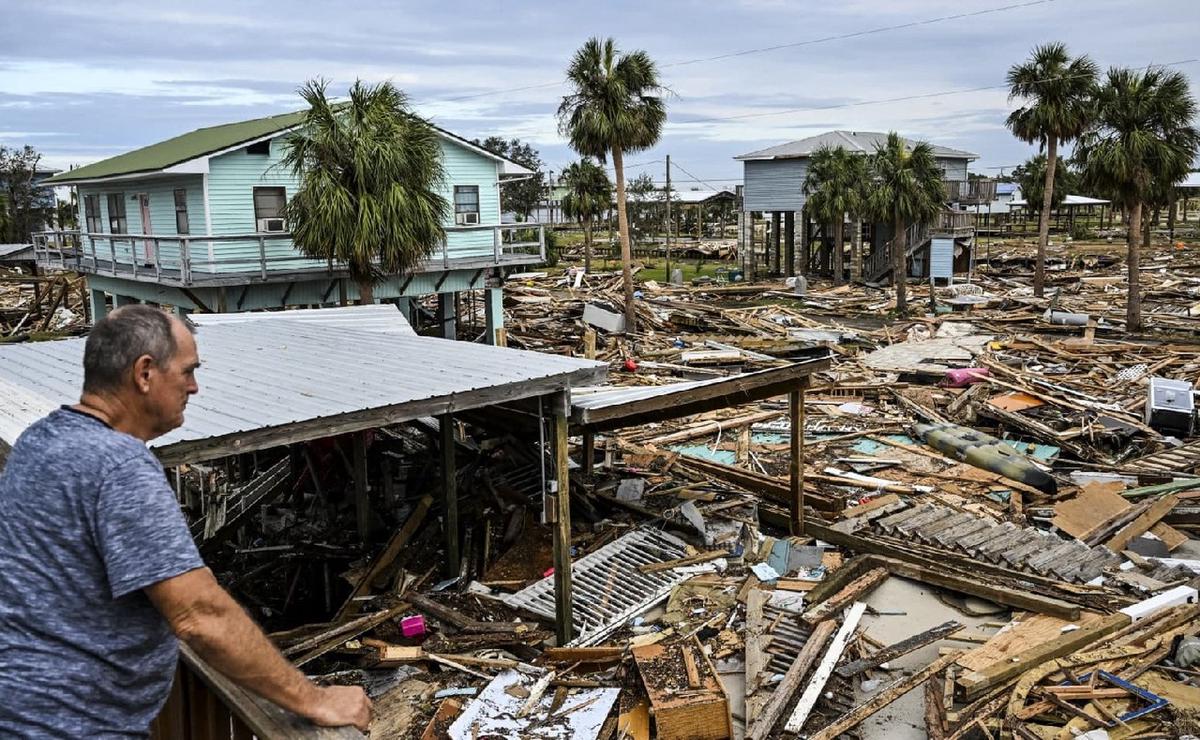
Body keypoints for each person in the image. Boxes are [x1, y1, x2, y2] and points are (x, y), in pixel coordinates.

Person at [0, 305, 371, 737]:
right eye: (188, 371)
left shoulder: (40, 440)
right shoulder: (118, 466)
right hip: (70, 725)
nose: (195, 387)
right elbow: (200, 615)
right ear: (145, 373)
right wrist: (317, 700)